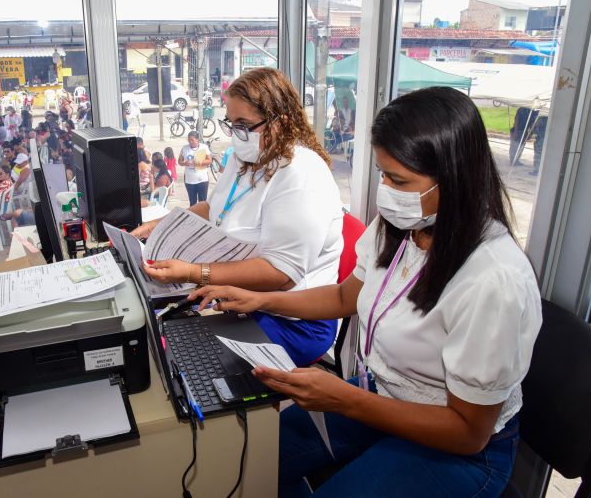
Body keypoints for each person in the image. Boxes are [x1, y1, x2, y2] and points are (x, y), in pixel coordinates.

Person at [189, 86, 542, 497]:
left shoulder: (494, 280)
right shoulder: (402, 227)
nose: (385, 191)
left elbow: (467, 433)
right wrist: (260, 299)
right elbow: (343, 298)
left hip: (458, 446)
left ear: (456, 180)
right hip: (383, 395)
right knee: (249, 455)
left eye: (398, 179)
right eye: (382, 173)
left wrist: (346, 399)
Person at [134, 67, 343, 365]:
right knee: (163, 337)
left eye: (244, 124)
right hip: (239, 297)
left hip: (291, 319)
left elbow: (281, 275)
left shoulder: (302, 175)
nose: (236, 135)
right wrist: (159, 226)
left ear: (279, 122)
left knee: (190, 359)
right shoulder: (246, 157)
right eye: (231, 124)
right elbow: (213, 208)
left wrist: (193, 272)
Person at [178, 131, 212, 206]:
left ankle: (202, 217)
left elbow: (209, 160)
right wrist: (185, 163)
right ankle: (193, 217)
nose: (190, 142)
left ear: (197, 140)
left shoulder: (204, 147)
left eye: (192, 140)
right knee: (192, 202)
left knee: (202, 202)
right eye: (189, 140)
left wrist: (199, 162)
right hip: (190, 180)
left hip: (202, 179)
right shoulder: (184, 148)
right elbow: (179, 161)